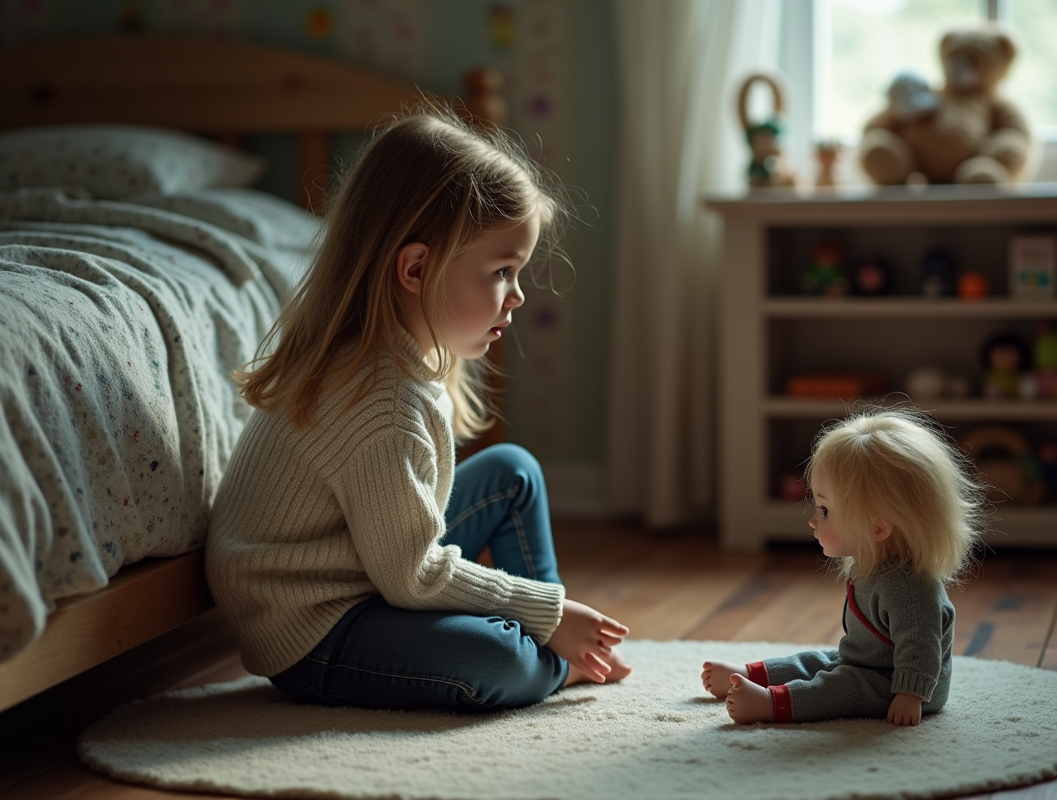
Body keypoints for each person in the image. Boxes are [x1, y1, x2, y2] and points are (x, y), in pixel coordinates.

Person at [205, 104, 630, 713]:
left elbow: (401, 560)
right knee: (500, 661)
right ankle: (552, 652)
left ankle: (552, 641)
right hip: (317, 630)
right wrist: (549, 612)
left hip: (370, 571)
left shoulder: (393, 358)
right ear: (416, 268)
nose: (517, 295)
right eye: (502, 271)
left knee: (513, 472)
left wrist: (543, 613)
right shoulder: (381, 404)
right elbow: (414, 577)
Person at [701, 407, 987, 726]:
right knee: (817, 661)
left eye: (824, 510)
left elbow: (921, 648)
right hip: (868, 662)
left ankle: (771, 703)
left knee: (843, 687)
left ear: (877, 527)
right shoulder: (874, 565)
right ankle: (748, 674)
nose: (813, 520)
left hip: (900, 683)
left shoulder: (908, 589)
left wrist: (910, 695)